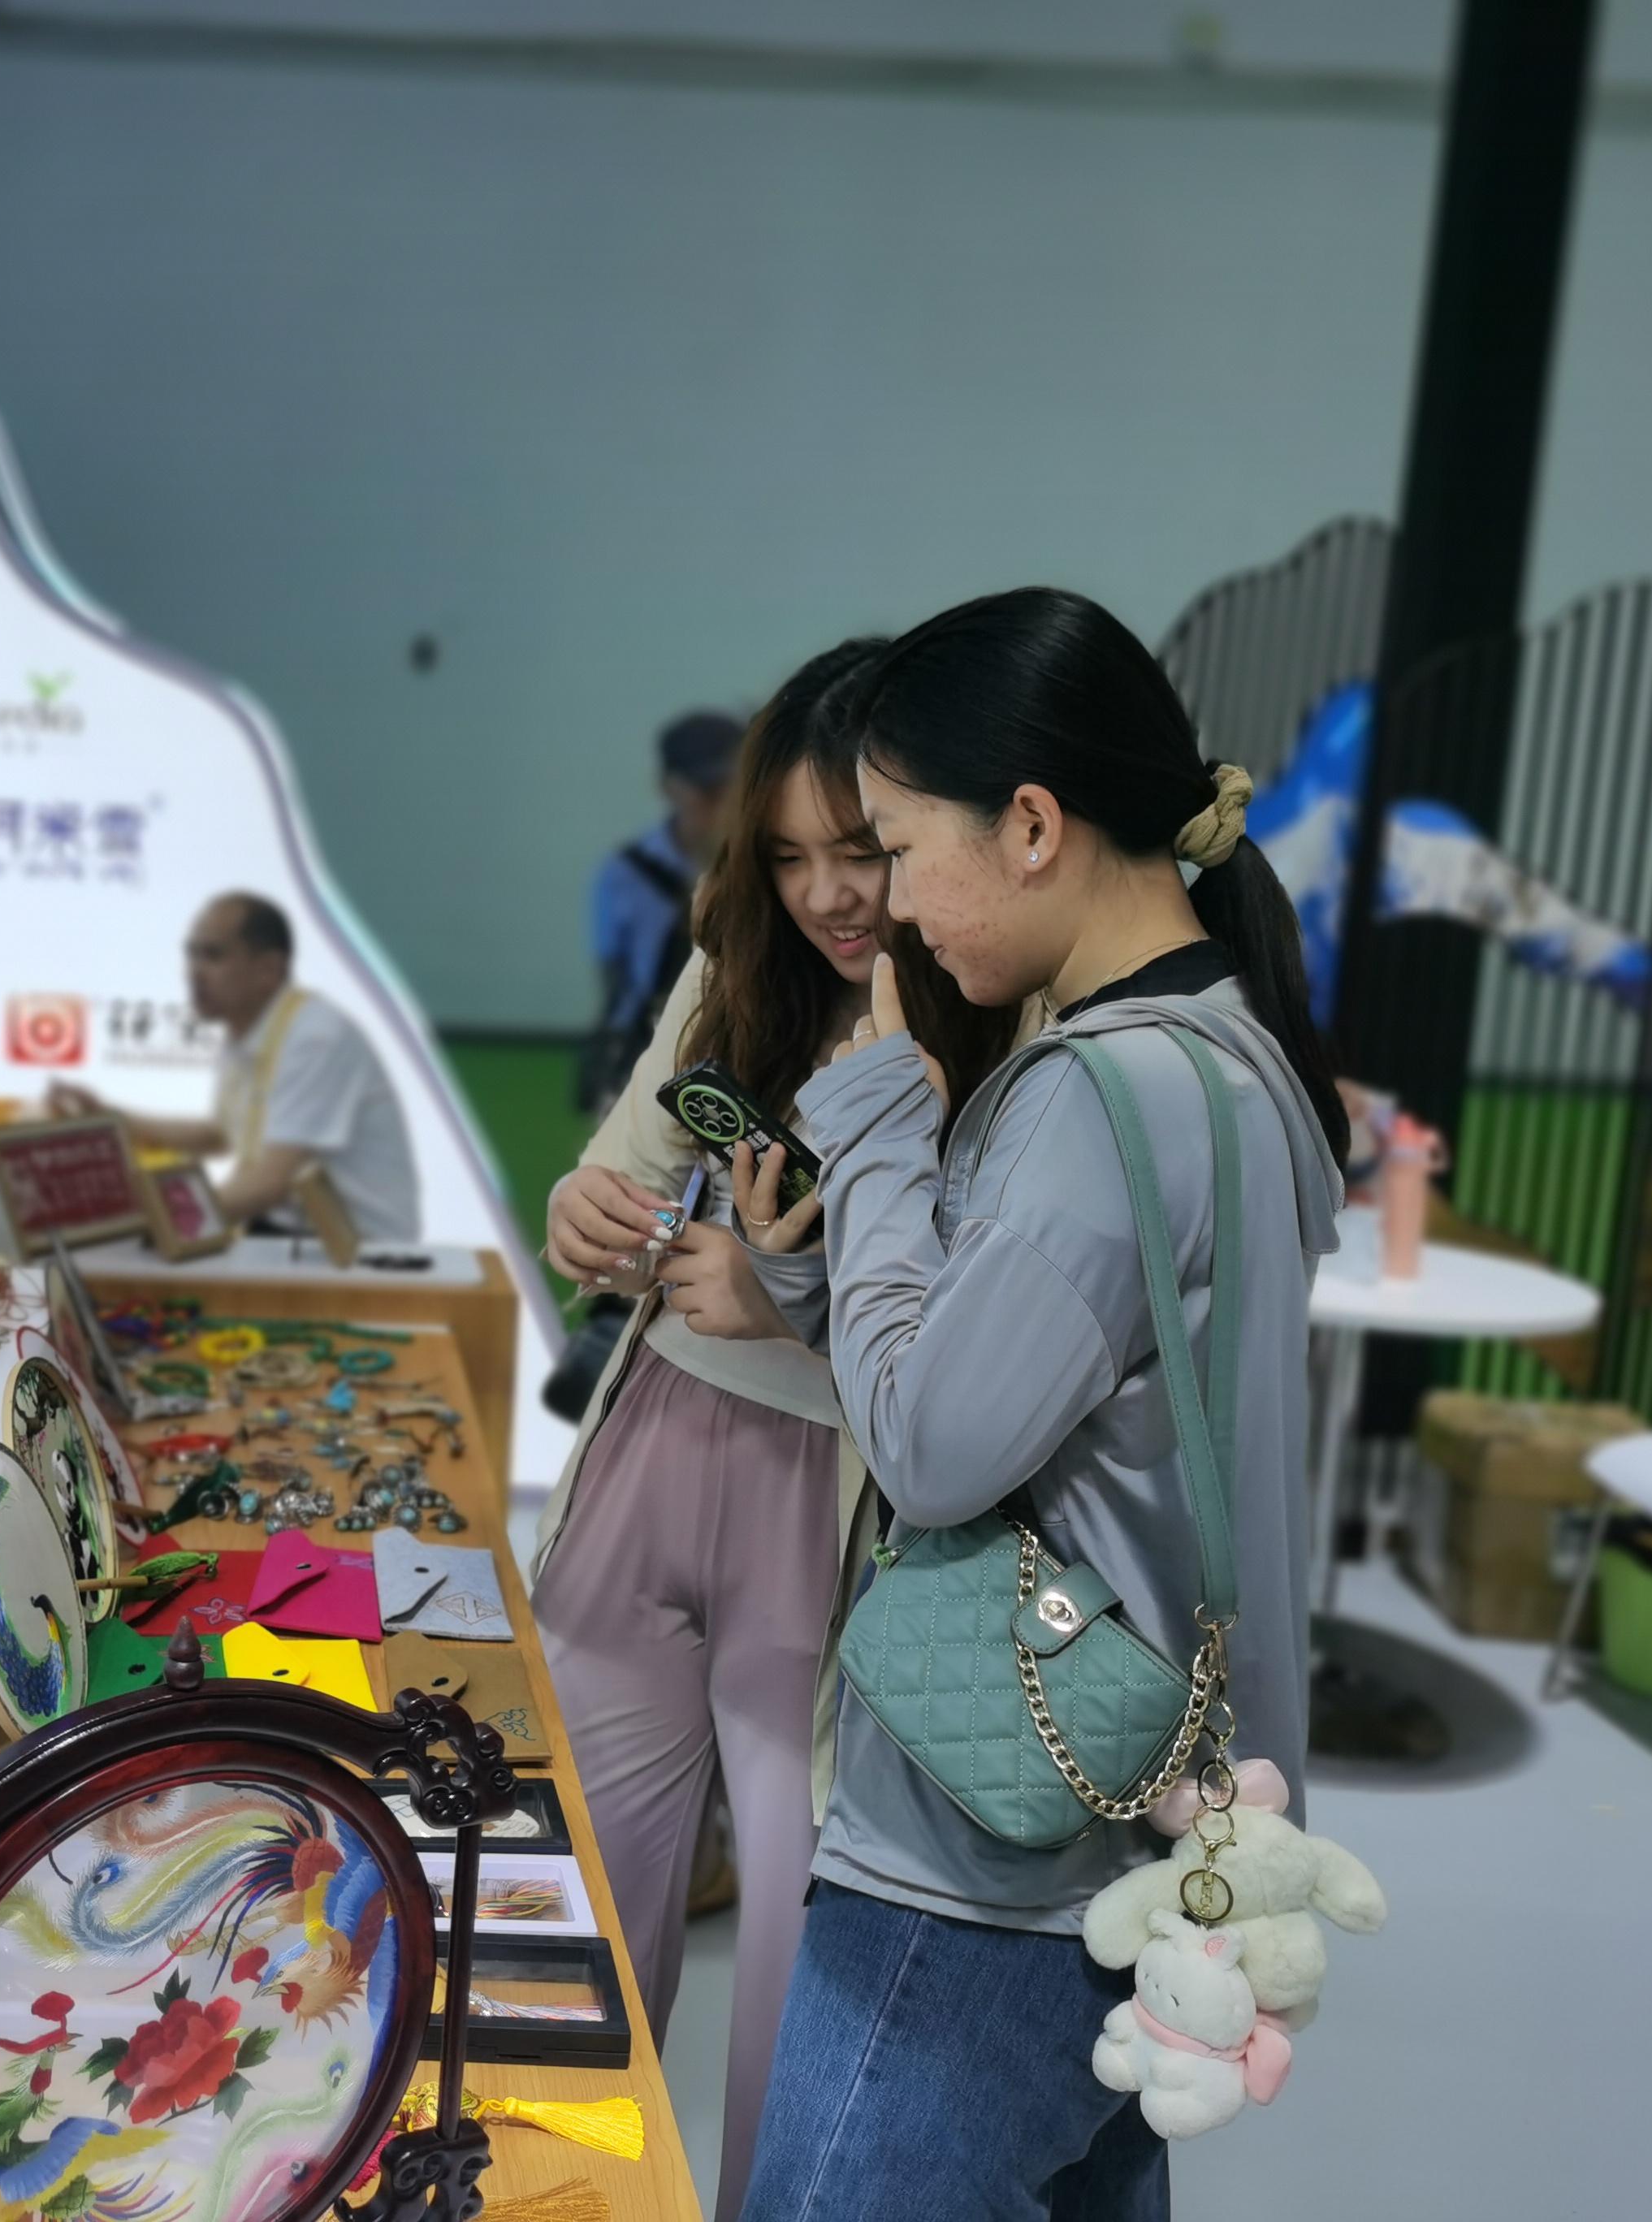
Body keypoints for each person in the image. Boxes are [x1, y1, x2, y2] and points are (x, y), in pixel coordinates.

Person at [740, 588, 1347, 2221]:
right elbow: (1062, 1399)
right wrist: (828, 1271)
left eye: (897, 847)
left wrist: (879, 1130)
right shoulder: (1237, 1057)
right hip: (1141, 1846)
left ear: (1027, 824)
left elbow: (934, 1452)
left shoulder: (1101, 1091)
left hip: (983, 1870)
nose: (887, 905)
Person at [530, 643, 1014, 2211]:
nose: (826, 894)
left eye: (859, 848)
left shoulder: (993, 1018)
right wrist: (582, 1210)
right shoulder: (734, 962)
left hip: (837, 1513)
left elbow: (979, 1348)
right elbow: (617, 1165)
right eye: (789, 856)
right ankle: (559, 2196)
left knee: (797, 1962)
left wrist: (783, 1299)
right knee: (581, 1919)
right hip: (649, 1465)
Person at [49, 891, 422, 1241]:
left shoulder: (316, 1038)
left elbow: (270, 1183)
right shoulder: (247, 1029)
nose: (194, 972)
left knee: (117, 1266)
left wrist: (149, 1222)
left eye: (213, 956)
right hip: (289, 1236)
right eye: (192, 955)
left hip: (360, 1253)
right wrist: (111, 1118)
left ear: (269, 969)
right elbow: (219, 1135)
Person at [576, 710, 744, 1113]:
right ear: (668, 787)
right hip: (645, 1054)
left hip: (742, 1050)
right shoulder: (624, 874)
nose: (720, 804)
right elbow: (617, 983)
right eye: (708, 789)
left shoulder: (763, 862)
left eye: (733, 788)